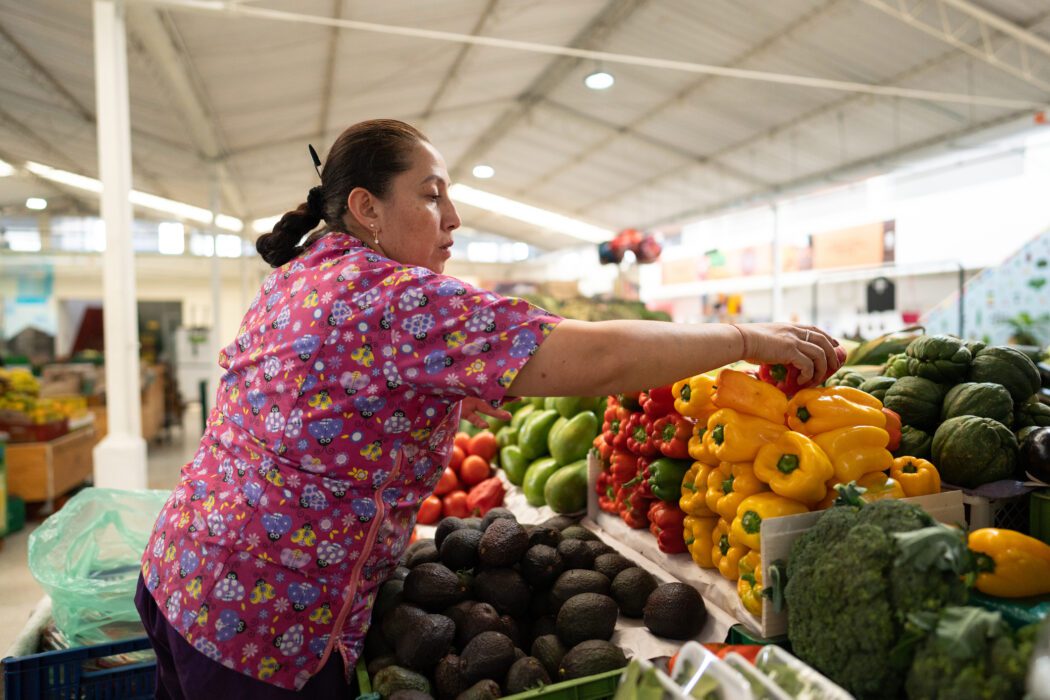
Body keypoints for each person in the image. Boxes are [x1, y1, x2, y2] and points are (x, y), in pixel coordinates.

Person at [136, 119, 840, 698]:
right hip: (265, 623)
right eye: (431, 196)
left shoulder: (306, 274)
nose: (453, 218)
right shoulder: (397, 296)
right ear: (367, 208)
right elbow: (599, 357)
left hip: (184, 572)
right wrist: (744, 338)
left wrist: (433, 389)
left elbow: (315, 385)